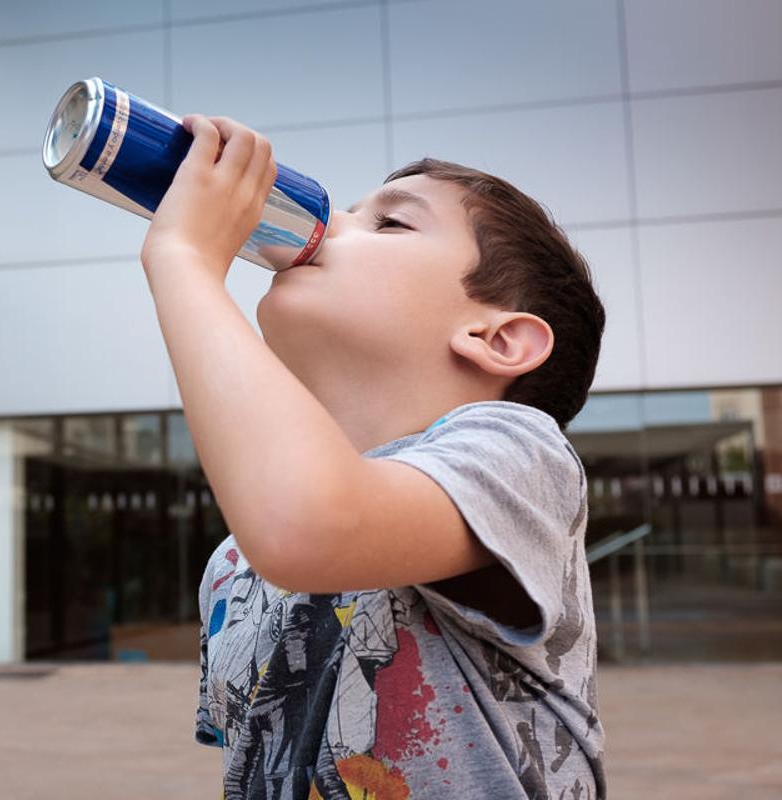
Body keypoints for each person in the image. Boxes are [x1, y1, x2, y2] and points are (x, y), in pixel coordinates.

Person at [138, 114, 607, 799]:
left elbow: (314, 525)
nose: (332, 224)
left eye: (391, 224)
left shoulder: (519, 451)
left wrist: (183, 259)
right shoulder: (235, 562)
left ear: (497, 339)